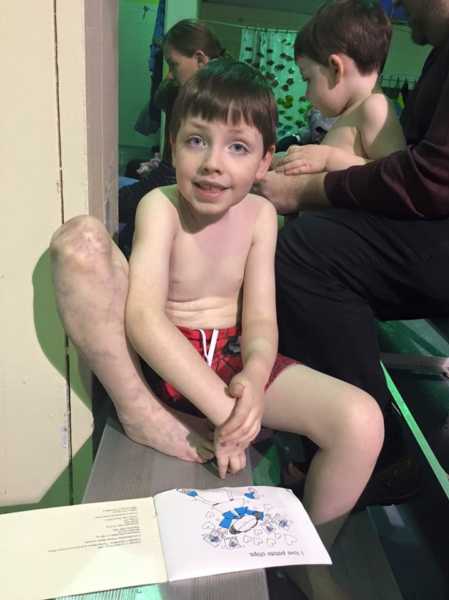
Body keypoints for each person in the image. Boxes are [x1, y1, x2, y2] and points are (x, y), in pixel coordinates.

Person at [50, 60, 383, 598]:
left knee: (362, 420)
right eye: (196, 140)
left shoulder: (259, 216)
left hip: (230, 356)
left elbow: (259, 320)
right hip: (170, 361)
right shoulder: (161, 206)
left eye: (237, 147)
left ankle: (310, 555)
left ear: (264, 161)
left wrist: (253, 374)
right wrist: (226, 411)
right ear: (173, 142)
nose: (212, 164)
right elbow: (143, 317)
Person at [256, 0, 449, 503]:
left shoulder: (376, 106)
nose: (402, 8)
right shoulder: (438, 54)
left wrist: (320, 180)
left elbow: (424, 180)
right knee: (299, 252)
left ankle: (372, 448)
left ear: (337, 67)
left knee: (304, 253)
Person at [119, 19, 227, 256]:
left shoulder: (200, 102)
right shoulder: (217, 90)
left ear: (200, 59)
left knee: (121, 220)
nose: (169, 75)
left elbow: (168, 176)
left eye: (173, 64)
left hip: (180, 195)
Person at [274, 0, 405, 176]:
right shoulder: (353, 112)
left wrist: (329, 159)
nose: (306, 95)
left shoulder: (374, 105)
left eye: (308, 79)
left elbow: (395, 175)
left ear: (336, 68)